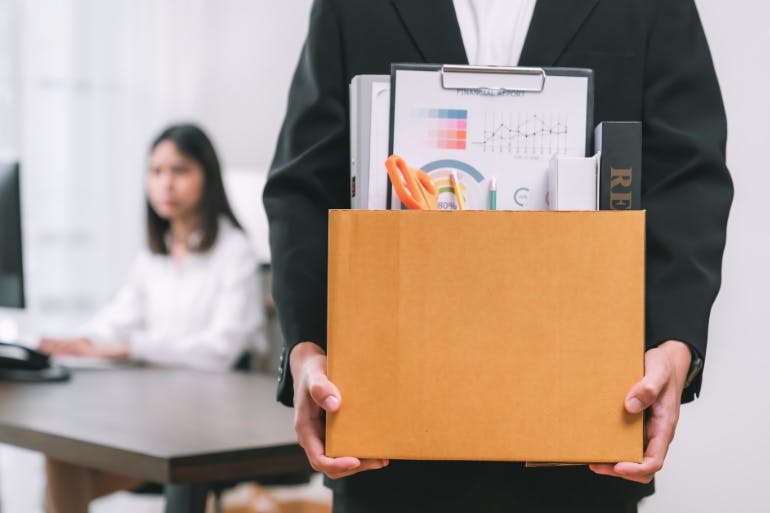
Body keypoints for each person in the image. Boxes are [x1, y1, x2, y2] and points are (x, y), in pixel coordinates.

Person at [263, 1, 733, 512]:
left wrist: (675, 343)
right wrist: (306, 347)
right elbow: (303, 183)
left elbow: (688, 177)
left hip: (583, 445)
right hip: (391, 450)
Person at [40, 123, 261, 513]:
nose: (166, 184)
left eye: (180, 170)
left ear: (207, 178)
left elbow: (219, 352)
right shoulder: (155, 254)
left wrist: (129, 349)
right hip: (154, 412)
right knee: (61, 455)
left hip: (208, 424)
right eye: (156, 172)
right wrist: (77, 342)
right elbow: (118, 317)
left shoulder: (235, 251)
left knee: (69, 468)